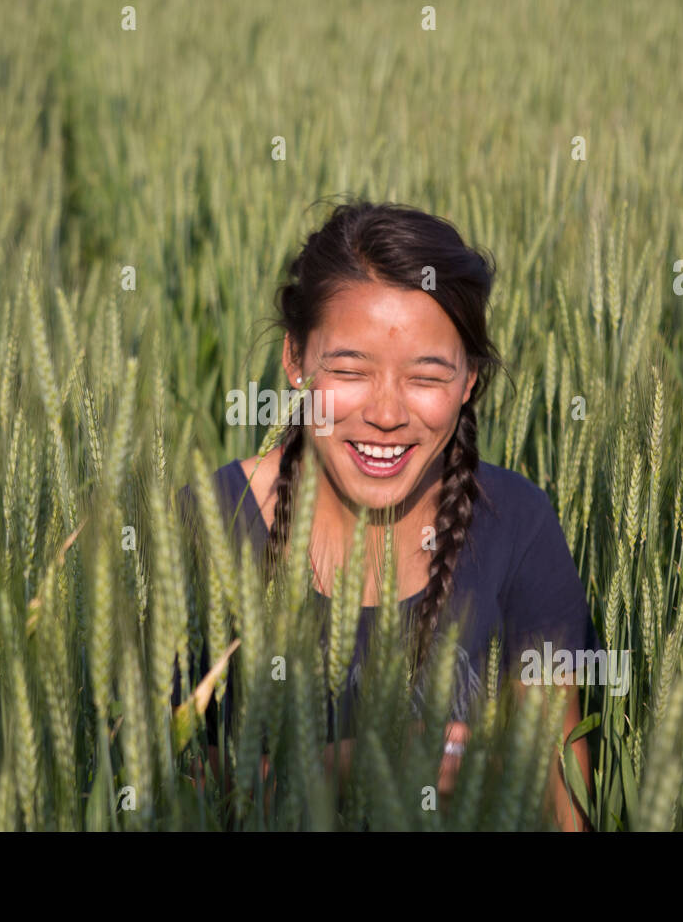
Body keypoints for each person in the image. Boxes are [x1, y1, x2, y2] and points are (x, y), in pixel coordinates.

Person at [173, 198, 601, 830]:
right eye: (350, 369)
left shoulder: (519, 526)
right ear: (295, 361)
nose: (386, 413)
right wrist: (350, 765)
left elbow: (566, 805)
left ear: (470, 381)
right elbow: (149, 782)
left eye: (426, 377)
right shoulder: (206, 526)